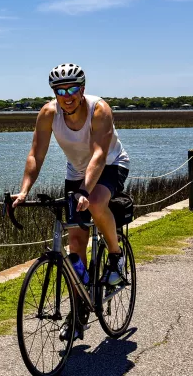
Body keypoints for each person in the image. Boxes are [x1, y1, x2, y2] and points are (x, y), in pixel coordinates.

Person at [12, 63, 130, 339]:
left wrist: (85, 191)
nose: (67, 95)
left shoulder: (99, 109)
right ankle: (79, 312)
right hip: (76, 171)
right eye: (61, 90)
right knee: (76, 243)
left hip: (111, 165)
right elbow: (35, 155)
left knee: (97, 202)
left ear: (83, 89)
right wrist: (24, 191)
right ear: (54, 92)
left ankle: (116, 256)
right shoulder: (48, 114)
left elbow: (99, 154)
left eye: (73, 88)